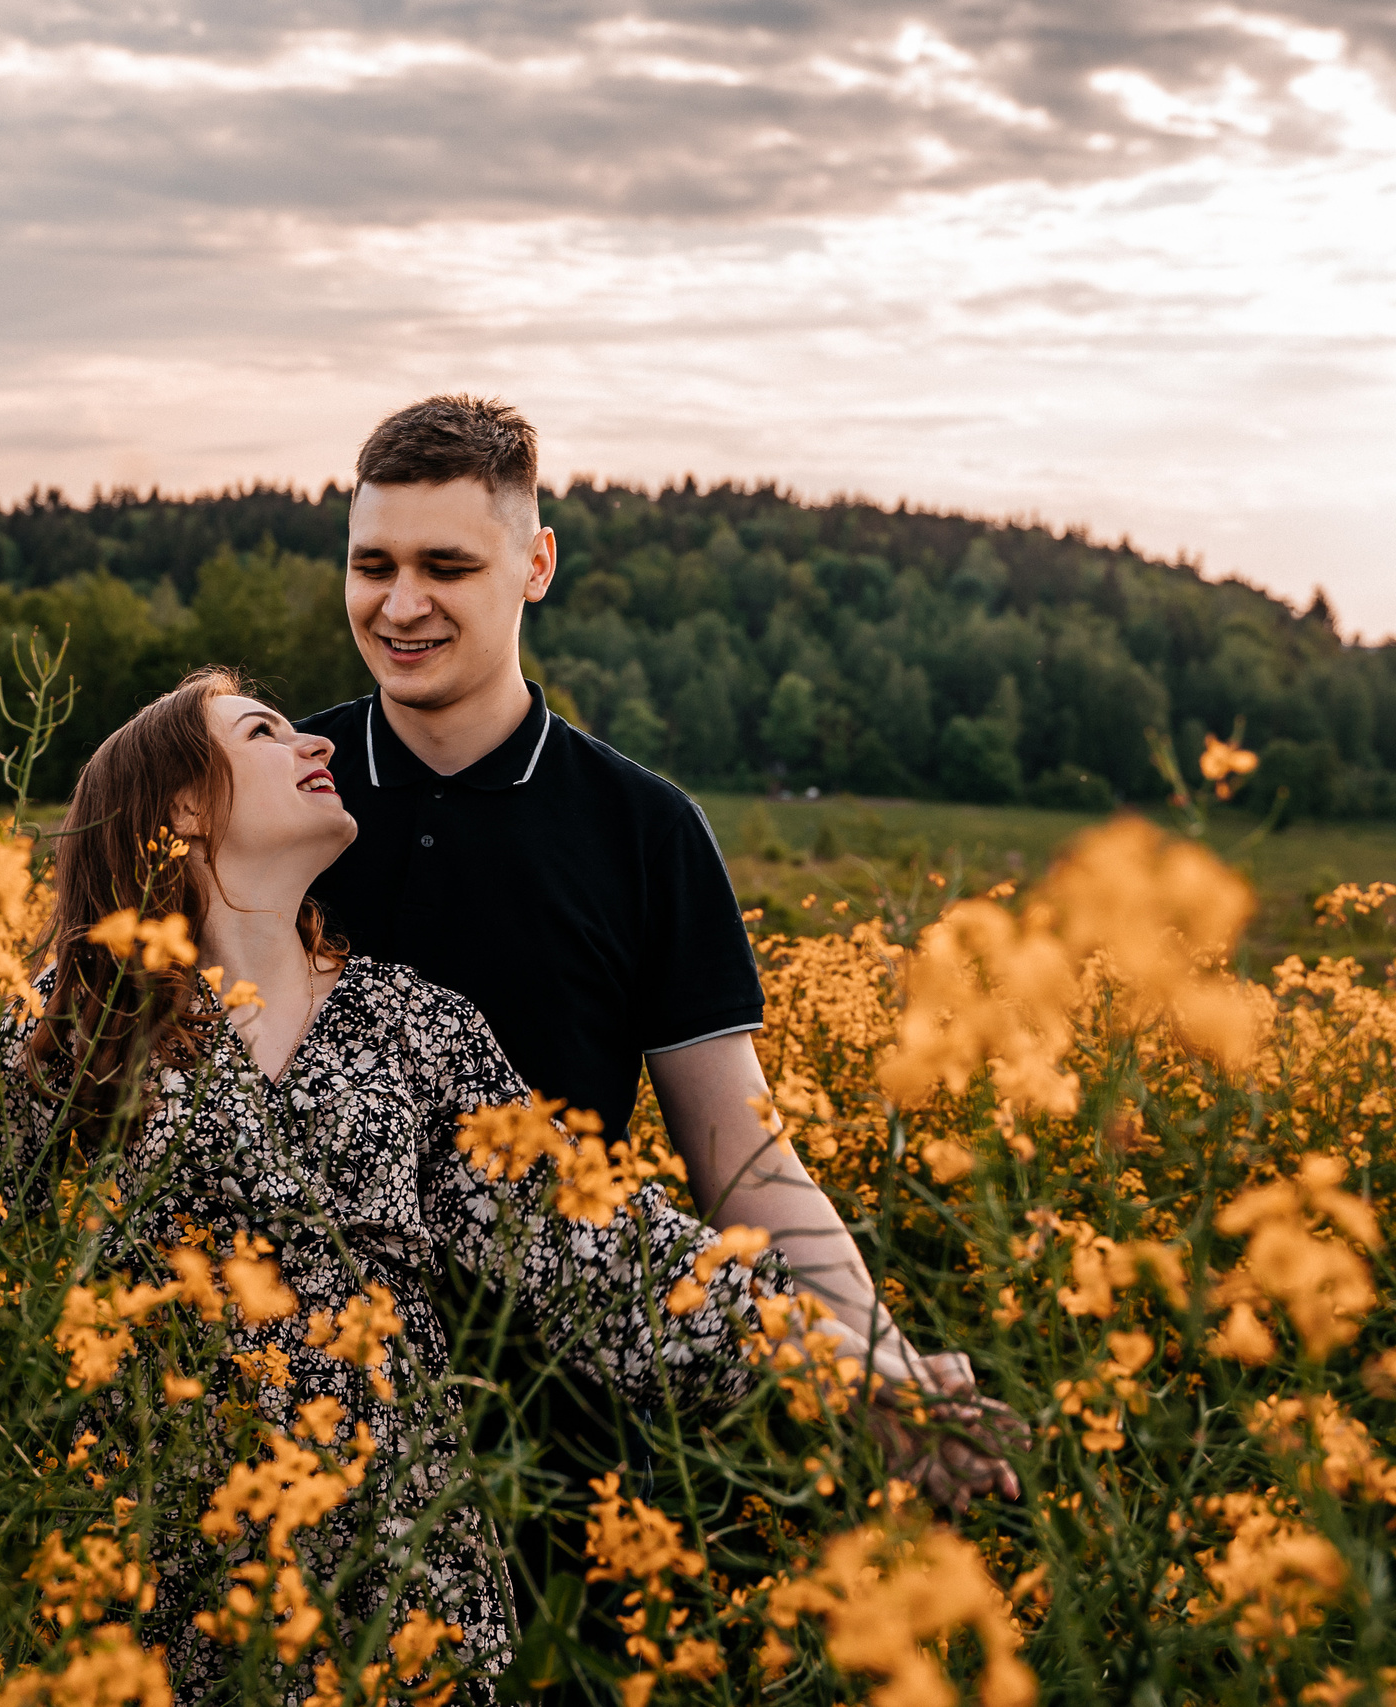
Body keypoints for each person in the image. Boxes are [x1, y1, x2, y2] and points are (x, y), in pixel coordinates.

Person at [0, 666, 792, 1706]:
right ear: (184, 807)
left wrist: (842, 1360)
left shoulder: (412, 1025)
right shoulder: (78, 1028)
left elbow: (596, 1250)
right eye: (263, 734)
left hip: (392, 1590)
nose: (317, 746)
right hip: (146, 1584)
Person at [293, 394, 1017, 1506]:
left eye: (446, 565)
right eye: (371, 564)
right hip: (283, 1430)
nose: (400, 605)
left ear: (534, 564)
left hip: (549, 1448)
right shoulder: (276, 789)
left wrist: (881, 1368)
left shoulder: (642, 829)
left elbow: (740, 1155)